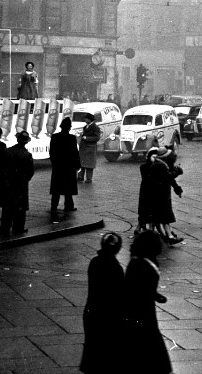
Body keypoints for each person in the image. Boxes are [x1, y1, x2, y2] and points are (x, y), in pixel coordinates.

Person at [124, 231, 172, 374]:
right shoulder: (142, 264)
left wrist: (156, 295)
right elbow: (136, 289)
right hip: (141, 314)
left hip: (141, 313)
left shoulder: (141, 261)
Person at [80, 232, 125, 373]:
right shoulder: (115, 268)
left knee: (92, 349)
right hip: (108, 317)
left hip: (92, 312)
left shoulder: (94, 261)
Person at [2, 131, 35, 235]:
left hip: (8, 182)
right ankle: (18, 227)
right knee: (20, 207)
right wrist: (25, 179)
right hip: (21, 183)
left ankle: (5, 227)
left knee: (7, 206)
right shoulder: (27, 154)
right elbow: (30, 171)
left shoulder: (7, 151)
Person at [50, 117, 81, 220]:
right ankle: (68, 206)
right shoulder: (72, 138)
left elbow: (52, 152)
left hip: (58, 167)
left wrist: (54, 163)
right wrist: (77, 165)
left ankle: (53, 206)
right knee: (68, 188)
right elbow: (75, 153)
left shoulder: (54, 137)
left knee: (56, 189)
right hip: (69, 167)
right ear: (69, 128)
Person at [156, 147, 184, 245]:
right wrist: (177, 171)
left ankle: (167, 234)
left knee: (163, 216)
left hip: (161, 194)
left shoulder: (160, 165)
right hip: (161, 195)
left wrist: (177, 189)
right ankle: (169, 236)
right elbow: (168, 177)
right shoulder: (161, 166)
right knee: (165, 216)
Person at [77, 113, 101, 183]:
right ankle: (80, 177)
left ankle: (89, 179)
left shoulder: (96, 127)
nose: (85, 120)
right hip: (83, 148)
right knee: (81, 163)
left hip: (90, 148)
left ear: (90, 119)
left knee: (89, 164)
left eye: (86, 119)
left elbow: (97, 138)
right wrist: (81, 135)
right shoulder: (85, 127)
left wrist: (87, 138)